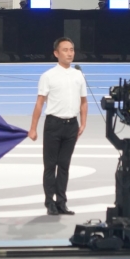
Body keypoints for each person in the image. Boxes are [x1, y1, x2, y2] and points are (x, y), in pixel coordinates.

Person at [28, 37, 87, 216]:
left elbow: (83, 101)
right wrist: (33, 128)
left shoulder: (78, 75)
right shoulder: (48, 76)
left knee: (64, 166)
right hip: (53, 125)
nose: (70, 53)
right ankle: (49, 202)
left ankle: (62, 202)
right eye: (65, 50)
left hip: (71, 125)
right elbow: (40, 103)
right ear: (56, 53)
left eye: (72, 50)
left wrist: (83, 123)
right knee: (50, 166)